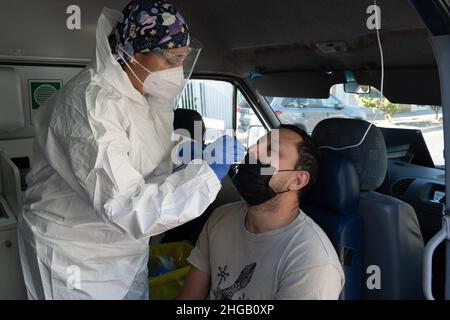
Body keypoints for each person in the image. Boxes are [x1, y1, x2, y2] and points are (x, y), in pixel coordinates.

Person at [17, 0, 244, 300]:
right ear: (133, 53)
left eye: (183, 59)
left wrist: (186, 151)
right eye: (171, 59)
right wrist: (205, 176)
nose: (178, 71)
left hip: (123, 249)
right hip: (75, 257)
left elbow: (147, 143)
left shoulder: (147, 94)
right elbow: (127, 206)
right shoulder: (91, 105)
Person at [178, 125, 345, 300]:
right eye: (256, 144)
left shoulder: (312, 262)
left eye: (270, 151)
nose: (251, 151)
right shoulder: (221, 218)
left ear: (297, 180)